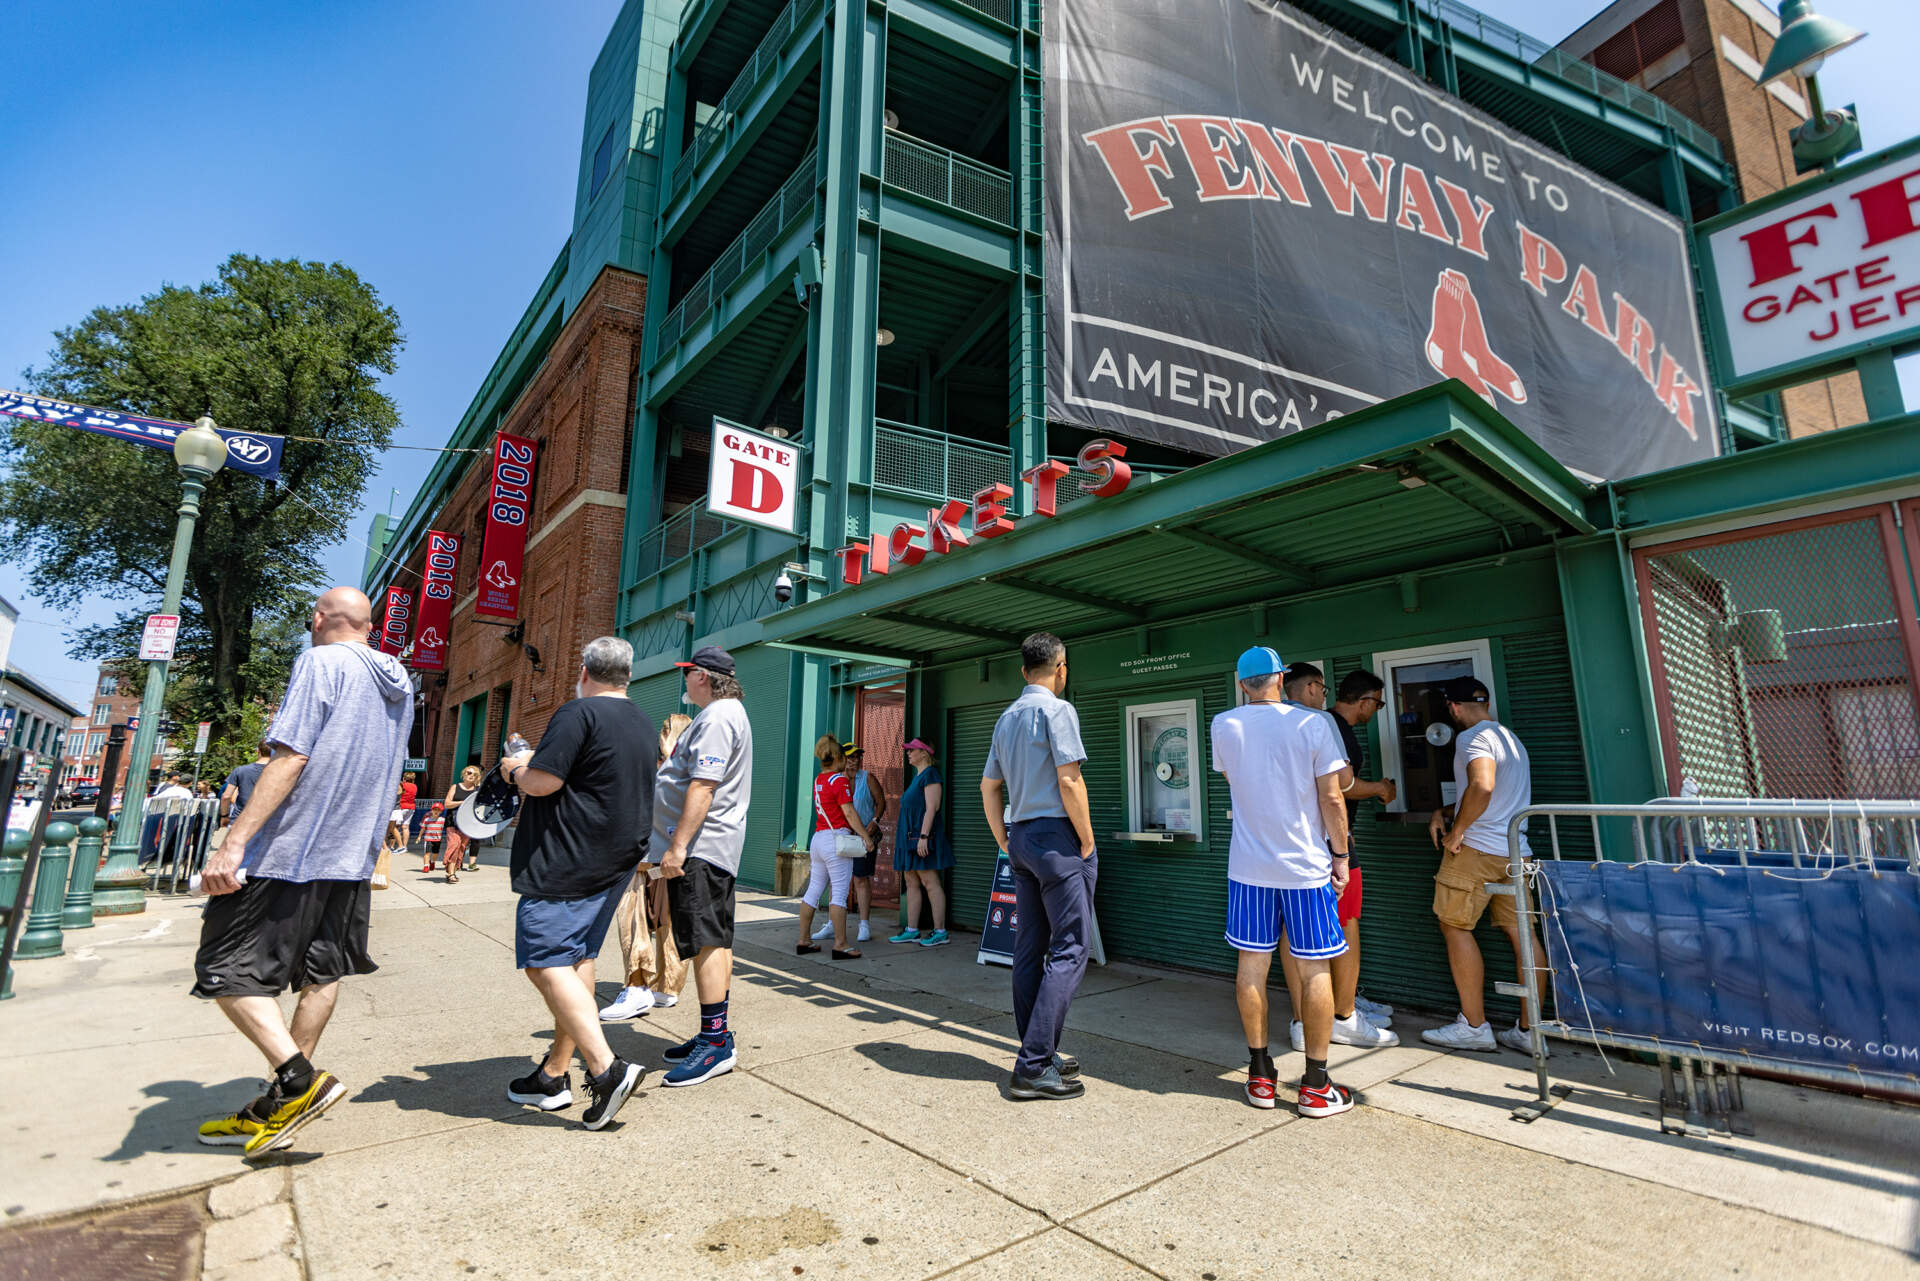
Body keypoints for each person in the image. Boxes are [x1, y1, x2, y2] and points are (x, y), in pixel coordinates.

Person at [191, 587, 412, 1157]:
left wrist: (234, 843)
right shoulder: (399, 679)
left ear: (319, 619)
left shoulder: (319, 661)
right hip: (351, 855)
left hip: (292, 850)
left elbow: (290, 756)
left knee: (223, 967)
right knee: (321, 972)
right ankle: (279, 1104)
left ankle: (297, 1079)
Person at [497, 637, 655, 1130]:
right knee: (577, 960)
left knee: (545, 962)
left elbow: (544, 782)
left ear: (585, 670)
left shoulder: (578, 713)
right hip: (616, 857)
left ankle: (607, 1070)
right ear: (626, 674)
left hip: (569, 858)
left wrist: (517, 767)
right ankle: (553, 1074)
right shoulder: (644, 722)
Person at [1212, 646, 1356, 1117]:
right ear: (1279, 678)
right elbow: (1333, 799)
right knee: (1314, 969)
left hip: (1248, 869)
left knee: (1251, 968)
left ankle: (1259, 1076)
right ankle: (1316, 1085)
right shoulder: (1313, 724)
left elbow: (1236, 779)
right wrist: (1340, 857)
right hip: (1305, 867)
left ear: (1241, 683)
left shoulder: (1224, 724)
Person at [981, 631, 1094, 1102]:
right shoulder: (1057, 710)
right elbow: (1070, 780)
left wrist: (1004, 840)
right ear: (1060, 667)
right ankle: (1032, 1065)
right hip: (1056, 838)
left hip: (1021, 837)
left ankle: (1038, 1052)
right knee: (1071, 949)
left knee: (1028, 949)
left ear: (1023, 670)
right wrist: (1086, 842)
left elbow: (988, 787)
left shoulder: (1006, 718)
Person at [1421, 676, 1547, 1055]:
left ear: (1452, 707)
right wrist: (1445, 811)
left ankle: (1474, 1026)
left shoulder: (1470, 737)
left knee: (1455, 926)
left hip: (1477, 850)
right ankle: (1530, 1030)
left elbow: (1484, 785)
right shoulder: (1510, 738)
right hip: (1514, 851)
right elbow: (1495, 794)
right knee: (1523, 935)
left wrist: (1457, 830)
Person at [653, 645, 753, 1089]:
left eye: (688, 672)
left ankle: (715, 1045)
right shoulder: (722, 715)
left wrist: (677, 847)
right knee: (715, 939)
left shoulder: (716, 718)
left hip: (702, 847)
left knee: (706, 941)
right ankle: (715, 1032)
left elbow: (703, 785)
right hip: (709, 847)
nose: (684, 680)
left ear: (703, 677)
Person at [602, 712, 694, 1021]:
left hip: (662, 860)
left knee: (653, 921)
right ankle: (645, 985)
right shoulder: (659, 769)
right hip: (646, 860)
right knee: (640, 919)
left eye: (668, 729)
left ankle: (654, 986)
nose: (662, 732)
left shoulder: (683, 773)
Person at [1326, 670, 1399, 1039]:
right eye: (1379, 703)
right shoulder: (1334, 727)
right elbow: (1342, 786)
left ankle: (1347, 996)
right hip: (1335, 843)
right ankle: (1344, 1013)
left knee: (1343, 920)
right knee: (1345, 920)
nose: (1377, 711)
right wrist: (1380, 789)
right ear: (1365, 700)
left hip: (1335, 840)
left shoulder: (1332, 726)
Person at [797, 736, 874, 959]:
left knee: (814, 889)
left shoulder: (819, 780)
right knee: (839, 894)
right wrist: (866, 837)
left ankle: (804, 940)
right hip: (836, 840)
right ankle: (841, 944)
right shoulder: (838, 781)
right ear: (839, 758)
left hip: (819, 839)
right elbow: (849, 812)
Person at [812, 741, 886, 943]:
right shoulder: (835, 779)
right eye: (851, 756)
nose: (854, 760)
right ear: (841, 758)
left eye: (857, 757)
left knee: (861, 879)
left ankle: (864, 924)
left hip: (863, 836)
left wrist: (874, 821)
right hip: (840, 836)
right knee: (835, 881)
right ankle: (830, 924)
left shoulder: (867, 777)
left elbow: (881, 802)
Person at [890, 737, 953, 946]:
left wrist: (923, 837)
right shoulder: (918, 775)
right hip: (908, 837)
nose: (908, 753)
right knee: (911, 882)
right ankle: (912, 930)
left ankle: (940, 931)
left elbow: (931, 808)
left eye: (912, 750)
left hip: (920, 836)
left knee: (930, 881)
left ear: (924, 753)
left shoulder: (931, 774)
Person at [433, 764, 483, 875]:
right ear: (464, 774)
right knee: (454, 844)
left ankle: (454, 868)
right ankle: (451, 873)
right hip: (452, 821)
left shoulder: (477, 791)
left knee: (461, 847)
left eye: (474, 774)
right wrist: (462, 803)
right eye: (469, 773)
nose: (471, 775)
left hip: (467, 824)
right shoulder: (455, 787)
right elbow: (447, 804)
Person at [397, 770, 421, 847]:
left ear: (404, 778)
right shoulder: (415, 787)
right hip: (411, 807)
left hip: (401, 807)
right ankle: (404, 846)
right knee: (406, 827)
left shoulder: (402, 785)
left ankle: (392, 846)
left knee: (395, 827)